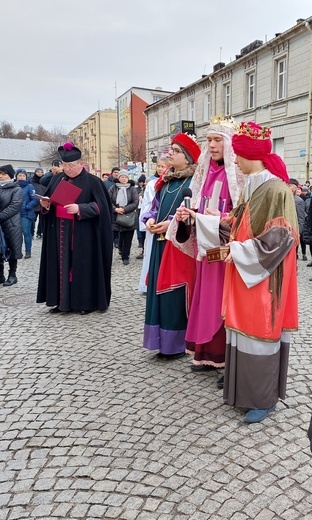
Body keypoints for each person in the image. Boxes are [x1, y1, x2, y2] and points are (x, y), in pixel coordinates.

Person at [172, 116, 244, 374]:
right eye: (209, 140)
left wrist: (222, 220)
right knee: (205, 300)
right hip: (206, 248)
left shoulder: (238, 175)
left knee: (222, 301)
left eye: (217, 140)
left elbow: (244, 216)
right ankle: (205, 353)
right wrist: (186, 217)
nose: (212, 145)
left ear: (229, 143)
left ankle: (225, 356)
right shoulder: (205, 173)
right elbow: (196, 205)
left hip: (226, 250)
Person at [143, 133, 201, 359]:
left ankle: (177, 344)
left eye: (175, 151)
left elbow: (195, 212)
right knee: (157, 291)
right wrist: (149, 219)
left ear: (187, 158)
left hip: (180, 245)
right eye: (170, 149)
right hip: (160, 244)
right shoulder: (165, 181)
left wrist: (172, 224)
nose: (170, 153)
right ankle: (160, 341)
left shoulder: (195, 182)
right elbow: (154, 208)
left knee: (174, 292)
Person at [37, 142, 113, 314]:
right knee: (60, 266)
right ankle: (61, 302)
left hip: (84, 234)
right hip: (60, 232)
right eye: (64, 165)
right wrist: (45, 204)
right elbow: (49, 202)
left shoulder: (93, 181)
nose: (68, 169)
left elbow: (103, 208)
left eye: (71, 166)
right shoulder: (57, 179)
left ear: (81, 163)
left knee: (83, 267)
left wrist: (81, 209)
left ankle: (85, 303)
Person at [138, 156, 170, 293]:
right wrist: (148, 220)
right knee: (151, 253)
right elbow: (148, 203)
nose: (160, 169)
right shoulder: (152, 184)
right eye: (159, 166)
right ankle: (148, 283)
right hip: (154, 221)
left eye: (163, 166)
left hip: (167, 222)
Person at [108, 169, 139, 265]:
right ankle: (108, 257)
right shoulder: (113, 188)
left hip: (128, 216)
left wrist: (124, 209)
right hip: (114, 217)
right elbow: (108, 200)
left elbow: (135, 202)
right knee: (111, 238)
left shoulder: (132, 189)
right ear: (119, 178)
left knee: (128, 238)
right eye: (122, 177)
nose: (124, 179)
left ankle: (126, 256)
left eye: (125, 177)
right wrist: (115, 209)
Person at [0, 164, 23, 286]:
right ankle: (0, 275)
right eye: (0, 174)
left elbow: (14, 207)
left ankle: (12, 275)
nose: (1, 176)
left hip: (11, 224)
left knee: (12, 249)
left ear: (9, 175)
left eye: (3, 174)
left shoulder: (16, 189)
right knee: (0, 248)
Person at [16, 169, 37, 259]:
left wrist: (27, 206)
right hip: (14, 213)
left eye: (23, 175)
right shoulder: (14, 185)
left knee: (26, 232)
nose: (21, 177)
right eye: (20, 175)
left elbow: (35, 199)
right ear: (16, 176)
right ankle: (17, 251)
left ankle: (28, 251)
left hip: (26, 213)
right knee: (16, 234)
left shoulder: (29, 186)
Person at [288, 178, 306, 260]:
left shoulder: (298, 201)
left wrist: (298, 233)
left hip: (294, 231)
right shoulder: (286, 197)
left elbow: (301, 218)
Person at [104, 167, 120, 247]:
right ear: (112, 173)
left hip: (120, 209)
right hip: (110, 208)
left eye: (118, 172)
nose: (116, 174)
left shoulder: (121, 183)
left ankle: (118, 241)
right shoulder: (106, 183)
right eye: (115, 172)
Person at [29, 167, 46, 238]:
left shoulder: (45, 181)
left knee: (42, 221)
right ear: (35, 172)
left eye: (41, 172)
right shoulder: (31, 181)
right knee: (33, 220)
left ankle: (40, 233)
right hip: (34, 203)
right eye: (38, 172)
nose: (40, 173)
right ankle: (31, 233)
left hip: (43, 203)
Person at [136, 174, 147, 258]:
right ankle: (143, 249)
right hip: (141, 213)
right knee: (142, 233)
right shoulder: (142, 191)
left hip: (148, 215)